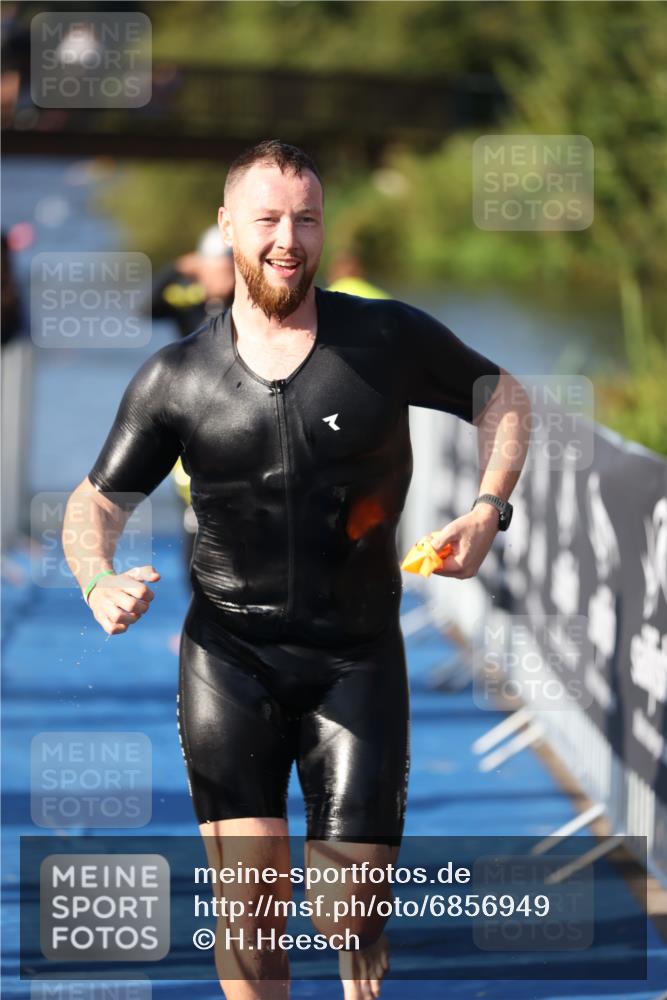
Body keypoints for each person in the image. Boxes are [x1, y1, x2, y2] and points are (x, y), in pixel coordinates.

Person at [62, 139, 530, 1000]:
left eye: (307, 219)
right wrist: (98, 576)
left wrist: (488, 508)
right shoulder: (178, 377)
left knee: (344, 910)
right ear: (226, 227)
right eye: (269, 219)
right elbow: (95, 502)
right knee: (251, 912)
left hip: (355, 656)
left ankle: (359, 925)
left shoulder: (384, 338)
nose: (288, 239)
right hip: (229, 658)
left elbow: (500, 395)